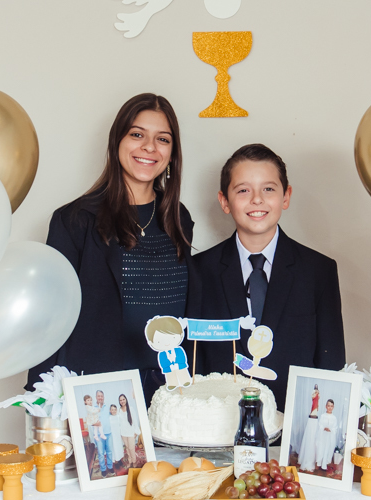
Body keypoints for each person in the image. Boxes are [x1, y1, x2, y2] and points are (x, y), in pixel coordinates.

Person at [26, 94, 198, 403]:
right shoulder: (75, 220)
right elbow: (49, 317)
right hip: (100, 392)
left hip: (171, 392)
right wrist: (40, 403)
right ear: (116, 141)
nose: (150, 147)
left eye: (162, 139)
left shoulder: (178, 217)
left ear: (172, 154)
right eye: (137, 134)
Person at [197, 144, 346, 409]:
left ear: (286, 197)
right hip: (219, 419)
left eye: (268, 189)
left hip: (293, 421)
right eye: (243, 190)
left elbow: (330, 364)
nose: (257, 199)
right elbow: (194, 360)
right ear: (224, 201)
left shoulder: (318, 270)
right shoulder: (199, 270)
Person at [316, 398, 339, 473]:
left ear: (333, 407)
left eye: (331, 406)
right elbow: (319, 425)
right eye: (328, 406)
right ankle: (319, 462)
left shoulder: (334, 418)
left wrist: (331, 430)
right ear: (326, 406)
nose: (330, 408)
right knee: (321, 448)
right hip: (323, 436)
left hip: (329, 436)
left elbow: (335, 428)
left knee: (327, 449)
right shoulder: (323, 416)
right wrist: (323, 428)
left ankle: (324, 464)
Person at [94, 390, 113, 477]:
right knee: (101, 453)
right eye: (98, 396)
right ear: (96, 397)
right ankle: (103, 469)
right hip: (99, 435)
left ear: (103, 397)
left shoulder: (107, 407)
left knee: (109, 452)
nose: (100, 397)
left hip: (108, 433)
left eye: (101, 396)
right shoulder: (93, 408)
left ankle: (110, 466)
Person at [116, 393, 139, 469]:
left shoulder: (131, 409)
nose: (122, 401)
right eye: (120, 400)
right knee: (127, 448)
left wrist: (136, 432)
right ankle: (130, 461)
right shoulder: (119, 410)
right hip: (123, 433)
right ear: (119, 401)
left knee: (131, 448)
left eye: (123, 399)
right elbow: (118, 422)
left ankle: (134, 461)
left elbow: (135, 421)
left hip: (131, 432)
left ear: (126, 400)